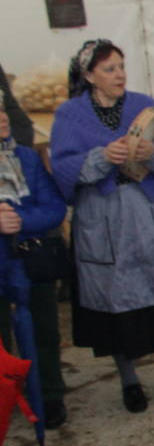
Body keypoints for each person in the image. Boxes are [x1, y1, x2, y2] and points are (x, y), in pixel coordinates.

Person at [50, 39, 154, 414]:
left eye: (121, 66)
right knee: (114, 305)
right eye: (109, 69)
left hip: (150, 214)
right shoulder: (70, 115)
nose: (119, 74)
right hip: (104, 220)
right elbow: (62, 167)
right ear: (89, 75)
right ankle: (129, 380)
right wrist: (101, 157)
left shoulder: (142, 106)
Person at [0, 107, 68, 428]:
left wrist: (21, 220)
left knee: (44, 329)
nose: (2, 118)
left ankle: (50, 394)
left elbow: (54, 207)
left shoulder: (25, 158)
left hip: (31, 260)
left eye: (2, 110)